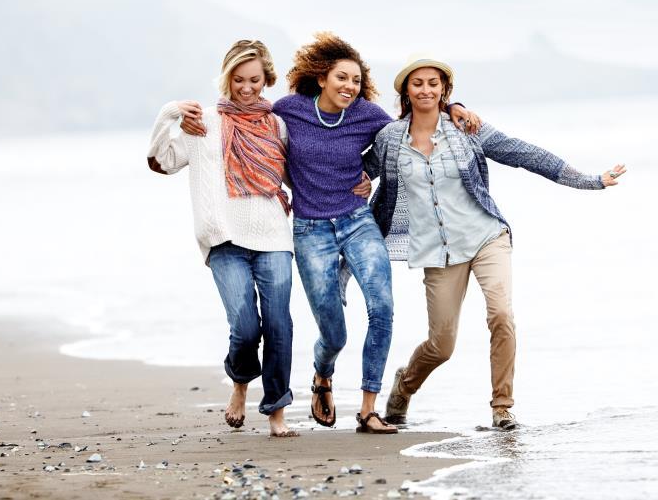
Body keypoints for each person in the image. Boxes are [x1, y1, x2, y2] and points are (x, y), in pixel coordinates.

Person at [183, 33, 480, 435]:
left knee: (382, 308)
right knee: (334, 331)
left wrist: (453, 108)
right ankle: (323, 375)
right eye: (342, 77)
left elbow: (410, 128)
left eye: (356, 81)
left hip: (358, 221)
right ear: (322, 78)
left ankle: (369, 408)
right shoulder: (289, 110)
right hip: (310, 231)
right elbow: (248, 115)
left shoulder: (367, 115)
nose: (349, 86)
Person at [364, 56, 626, 430]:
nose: (426, 90)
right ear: (406, 90)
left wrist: (591, 180)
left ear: (445, 90)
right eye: (417, 83)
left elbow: (523, 154)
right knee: (442, 346)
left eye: (434, 83)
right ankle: (404, 386)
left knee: (501, 315)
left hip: (486, 235)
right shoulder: (390, 139)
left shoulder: (466, 128)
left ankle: (502, 407)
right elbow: (359, 171)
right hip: (437, 252)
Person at [145, 39, 299, 437]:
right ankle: (240, 385)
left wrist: (358, 183)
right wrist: (169, 114)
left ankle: (277, 411)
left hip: (273, 235)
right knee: (246, 326)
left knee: (279, 323)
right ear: (226, 77)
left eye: (254, 80)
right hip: (223, 238)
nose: (246, 88)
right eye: (238, 79)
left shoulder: (277, 125)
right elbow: (161, 162)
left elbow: (296, 176)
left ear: (266, 80)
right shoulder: (203, 121)